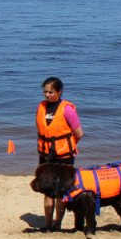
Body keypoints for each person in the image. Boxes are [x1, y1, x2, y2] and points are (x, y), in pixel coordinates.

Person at [35, 76, 84, 231]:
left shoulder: (67, 109)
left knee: (62, 192)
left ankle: (58, 223)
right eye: (45, 92)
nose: (47, 95)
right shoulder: (41, 107)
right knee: (47, 191)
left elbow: (79, 133)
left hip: (65, 156)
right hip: (46, 155)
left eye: (51, 92)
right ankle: (47, 224)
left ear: (59, 91)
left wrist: (67, 146)